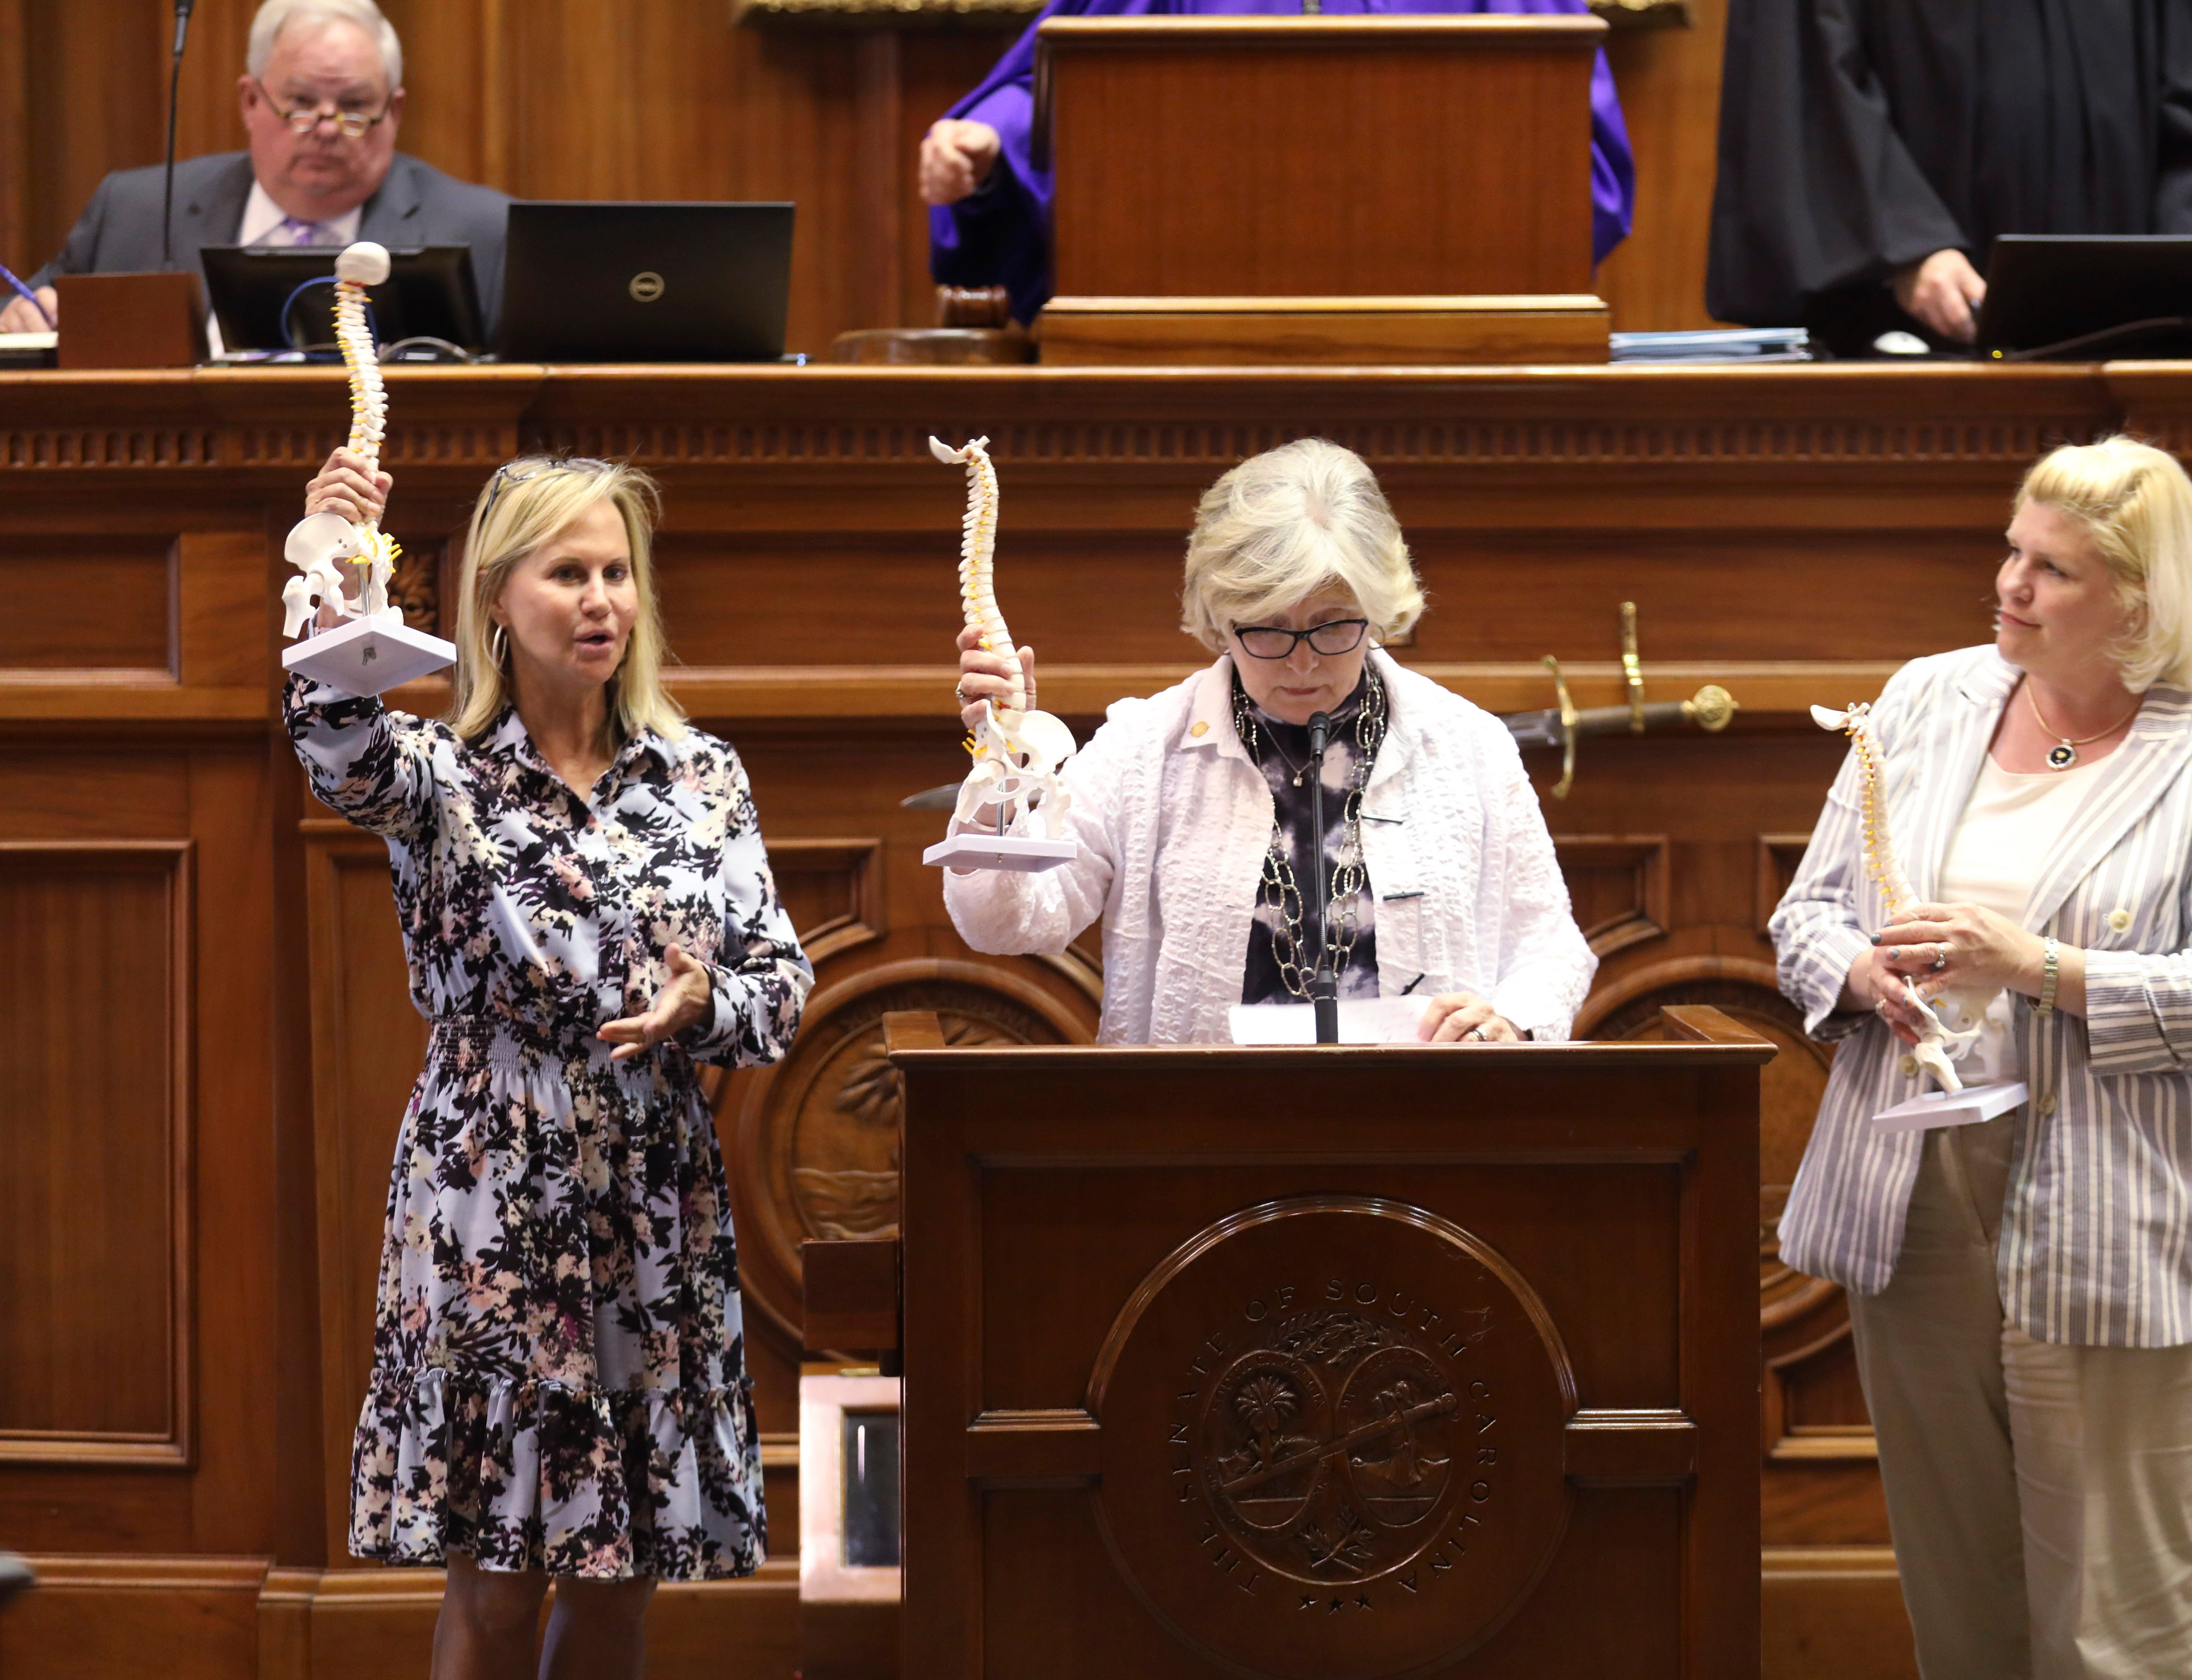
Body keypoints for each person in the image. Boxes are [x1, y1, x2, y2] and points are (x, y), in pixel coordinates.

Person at [1768, 436, 2192, 1679]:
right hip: (1919, 1205)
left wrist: (2037, 968)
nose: (2011, 586)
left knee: (2106, 1637)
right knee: (1961, 1617)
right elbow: (1805, 917)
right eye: (2013, 553)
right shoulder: (1927, 698)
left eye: (2054, 571)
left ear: (2139, 600)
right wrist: (1860, 974)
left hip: (2130, 1214)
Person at [287, 449, 810, 1677]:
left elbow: (780, 986)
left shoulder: (703, 777)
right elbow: (335, 738)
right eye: (568, 572)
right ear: (496, 599)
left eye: (618, 573)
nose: (600, 601)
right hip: (491, 1196)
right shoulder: (441, 776)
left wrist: (704, 1006)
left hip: (651, 1192)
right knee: (501, 1586)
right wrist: (331, 565)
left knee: (621, 1584)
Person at [945, 438, 1596, 1044]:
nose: (1303, 663)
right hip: (1201, 1132)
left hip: (1422, 1119)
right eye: (1267, 630)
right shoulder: (1144, 747)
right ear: (1219, 618)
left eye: (1332, 625)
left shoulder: (1467, 743)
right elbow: (1010, 923)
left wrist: (1509, 1021)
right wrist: (1006, 759)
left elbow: (1551, 947)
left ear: (1380, 610)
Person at [919, 0, 1637, 324]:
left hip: (1443, 356)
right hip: (1191, 357)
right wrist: (988, 145)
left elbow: (1580, 169)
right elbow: (1066, 81)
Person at [1705, 0, 2192, 354]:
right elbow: (1808, 76)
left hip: (2133, 356)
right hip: (1915, 338)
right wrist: (1904, 247)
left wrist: (2184, 273)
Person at [2, 0, 510, 343]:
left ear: (394, 114)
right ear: (251, 101)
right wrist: (21, 322)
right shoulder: (134, 213)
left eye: (354, 106)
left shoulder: (481, 233)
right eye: (302, 103)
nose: (327, 129)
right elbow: (27, 318)